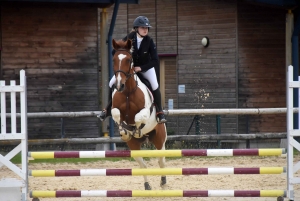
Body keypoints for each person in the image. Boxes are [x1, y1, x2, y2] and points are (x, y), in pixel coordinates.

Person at [99, 16, 167, 124]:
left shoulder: (149, 41)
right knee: (112, 83)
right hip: (130, 68)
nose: (145, 30)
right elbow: (116, 51)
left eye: (147, 28)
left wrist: (141, 68)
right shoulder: (130, 37)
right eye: (142, 27)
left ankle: (159, 111)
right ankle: (107, 109)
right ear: (136, 29)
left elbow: (155, 60)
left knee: (154, 85)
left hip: (146, 68)